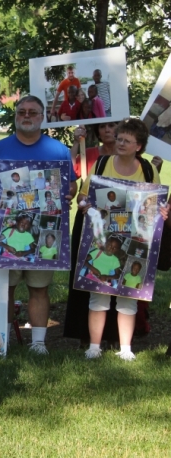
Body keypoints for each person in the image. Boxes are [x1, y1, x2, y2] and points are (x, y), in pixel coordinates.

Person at [0, 95, 78, 354]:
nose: (27, 116)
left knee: (39, 288)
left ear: (42, 117)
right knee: (5, 290)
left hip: (44, 231)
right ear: (16, 116)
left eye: (33, 112)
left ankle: (39, 343)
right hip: (8, 232)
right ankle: (5, 338)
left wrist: (69, 193)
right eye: (22, 112)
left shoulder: (58, 151)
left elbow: (71, 185)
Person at [77, 118, 168, 360]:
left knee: (129, 294)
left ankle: (125, 350)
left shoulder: (149, 170)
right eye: (119, 139)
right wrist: (84, 205)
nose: (120, 143)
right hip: (102, 238)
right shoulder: (102, 163)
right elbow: (84, 195)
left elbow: (156, 203)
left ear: (139, 146)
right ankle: (94, 347)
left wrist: (162, 212)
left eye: (127, 141)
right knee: (98, 293)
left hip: (136, 239)